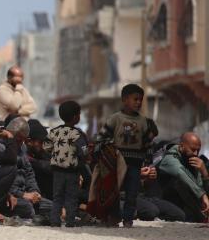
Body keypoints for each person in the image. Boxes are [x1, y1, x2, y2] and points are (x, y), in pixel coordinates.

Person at [97, 84, 153, 228]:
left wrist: (148, 162)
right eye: (135, 99)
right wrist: (107, 154)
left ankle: (128, 219)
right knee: (113, 191)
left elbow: (148, 143)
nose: (138, 102)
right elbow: (102, 138)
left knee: (132, 192)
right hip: (117, 163)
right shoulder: (115, 119)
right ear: (124, 100)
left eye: (141, 99)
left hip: (135, 163)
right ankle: (113, 217)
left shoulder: (143, 121)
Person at [47, 101, 87, 227]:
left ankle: (55, 221)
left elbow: (46, 146)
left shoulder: (54, 131)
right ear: (76, 117)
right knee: (71, 197)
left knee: (57, 197)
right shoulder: (77, 134)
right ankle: (70, 221)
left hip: (57, 171)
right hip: (72, 171)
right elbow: (83, 151)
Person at [7, 118, 52, 222]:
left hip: (26, 194)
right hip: (11, 196)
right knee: (27, 208)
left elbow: (29, 174)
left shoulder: (22, 150)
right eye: (18, 139)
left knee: (54, 207)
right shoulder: (2, 149)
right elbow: (4, 181)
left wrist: (35, 192)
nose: (21, 143)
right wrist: (22, 195)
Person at [157, 132, 209, 222]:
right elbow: (182, 174)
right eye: (193, 150)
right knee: (180, 182)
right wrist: (203, 195)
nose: (196, 153)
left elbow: (200, 185)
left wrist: (204, 173)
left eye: (198, 150)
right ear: (181, 146)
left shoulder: (191, 159)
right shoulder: (169, 158)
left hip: (184, 205)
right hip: (164, 201)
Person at [26, 119, 53, 198]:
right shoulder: (22, 155)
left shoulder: (41, 153)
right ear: (29, 142)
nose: (43, 145)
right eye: (41, 142)